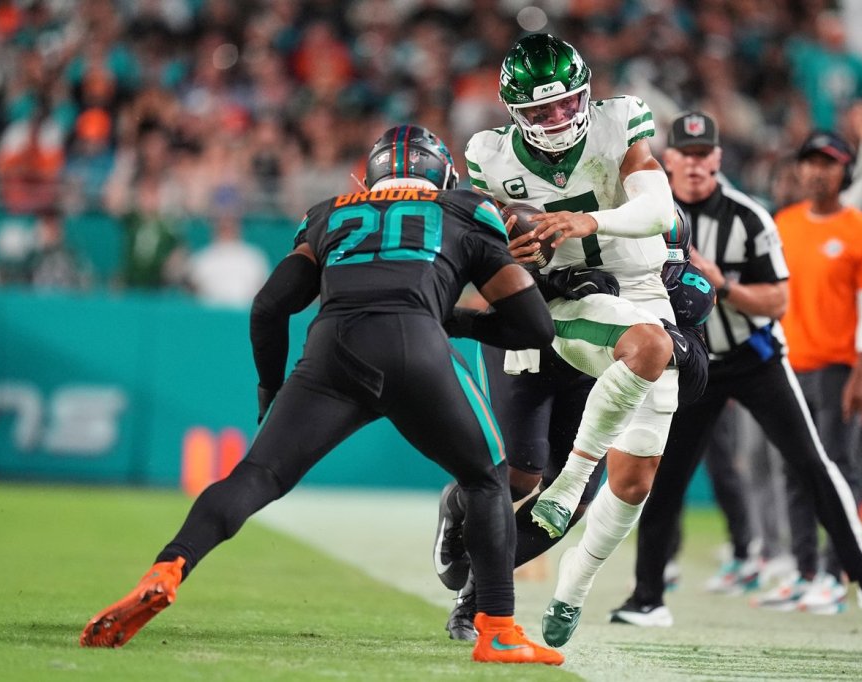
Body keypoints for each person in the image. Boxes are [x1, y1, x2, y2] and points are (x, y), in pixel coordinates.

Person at [79, 125, 564, 666]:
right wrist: (455, 319)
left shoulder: (329, 213)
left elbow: (269, 305)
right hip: (415, 342)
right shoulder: (466, 210)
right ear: (444, 176)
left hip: (333, 349)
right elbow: (534, 327)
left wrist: (270, 385)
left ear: (372, 175)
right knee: (487, 478)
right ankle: (497, 629)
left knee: (256, 475)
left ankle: (168, 568)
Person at [610, 112, 862, 628]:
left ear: (717, 158)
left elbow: (779, 301)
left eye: (703, 155)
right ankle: (647, 598)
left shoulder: (749, 217)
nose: (694, 165)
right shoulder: (644, 215)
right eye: (685, 154)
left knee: (812, 465)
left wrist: (724, 286)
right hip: (692, 365)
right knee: (666, 477)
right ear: (668, 160)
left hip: (754, 358)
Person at [461, 33, 685, 647]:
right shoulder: (489, 155)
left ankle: (573, 587)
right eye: (541, 109)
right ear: (515, 113)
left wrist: (590, 219)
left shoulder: (620, 123)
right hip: (555, 299)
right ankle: (553, 497)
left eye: (567, 103)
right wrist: (509, 251)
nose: (559, 117)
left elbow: (658, 211)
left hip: (636, 287)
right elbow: (486, 247)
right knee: (524, 470)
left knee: (636, 477)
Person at [437, 207, 710, 641]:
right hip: (530, 351)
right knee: (519, 477)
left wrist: (672, 344)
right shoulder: (571, 220)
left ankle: (473, 601)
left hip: (589, 371)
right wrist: (550, 281)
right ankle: (455, 506)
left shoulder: (682, 288)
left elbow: (694, 380)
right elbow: (498, 284)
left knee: (572, 505)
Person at [771, 129, 862, 616]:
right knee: (792, 470)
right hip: (787, 365)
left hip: (838, 370)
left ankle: (834, 573)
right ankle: (805, 572)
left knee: (835, 470)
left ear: (846, 171)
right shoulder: (783, 224)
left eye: (828, 163)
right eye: (810, 162)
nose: (817, 172)